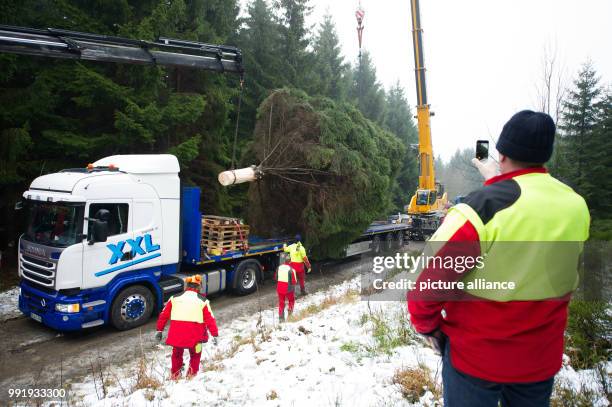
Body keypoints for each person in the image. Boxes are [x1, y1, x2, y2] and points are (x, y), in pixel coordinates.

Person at [407, 110, 590, 407]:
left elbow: (428, 284)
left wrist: (428, 327)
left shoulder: (480, 208)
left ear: (500, 154)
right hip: (538, 360)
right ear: (545, 155)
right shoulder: (575, 205)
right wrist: (500, 181)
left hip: (476, 362)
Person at [156, 275, 219, 379]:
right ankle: (191, 375)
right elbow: (210, 320)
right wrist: (215, 335)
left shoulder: (174, 298)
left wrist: (159, 330)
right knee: (196, 354)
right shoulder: (203, 301)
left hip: (177, 336)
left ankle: (175, 375)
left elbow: (164, 315)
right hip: (196, 338)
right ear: (199, 287)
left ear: (186, 286)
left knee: (176, 354)